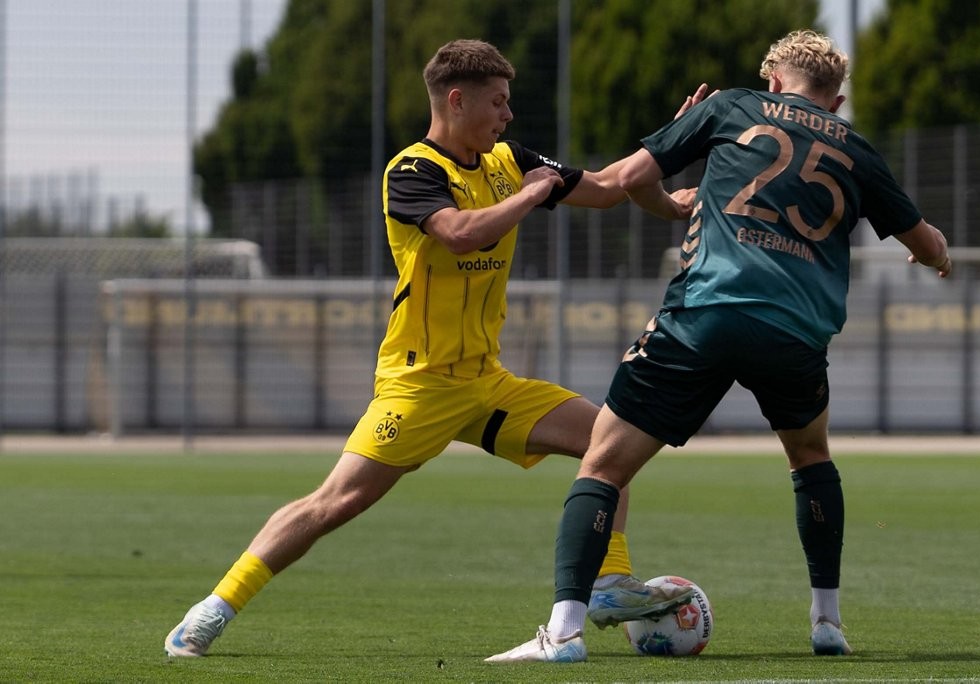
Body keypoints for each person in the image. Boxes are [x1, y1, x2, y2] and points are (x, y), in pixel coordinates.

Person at [164, 38, 700, 657]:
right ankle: (213, 608)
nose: (508, 116)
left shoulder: (507, 160)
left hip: (487, 381)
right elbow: (460, 234)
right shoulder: (412, 171)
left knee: (610, 440)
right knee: (335, 502)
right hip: (419, 384)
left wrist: (673, 142)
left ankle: (607, 581)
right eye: (498, 103)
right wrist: (530, 194)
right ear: (456, 100)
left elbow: (607, 187)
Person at [486, 29, 951, 664]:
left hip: (706, 314)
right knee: (811, 457)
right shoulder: (858, 149)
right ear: (836, 100)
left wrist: (668, 147)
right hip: (795, 333)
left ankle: (563, 634)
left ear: (774, 82)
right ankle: (827, 623)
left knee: (603, 465)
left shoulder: (731, 106)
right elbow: (925, 243)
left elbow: (625, 180)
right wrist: (940, 256)